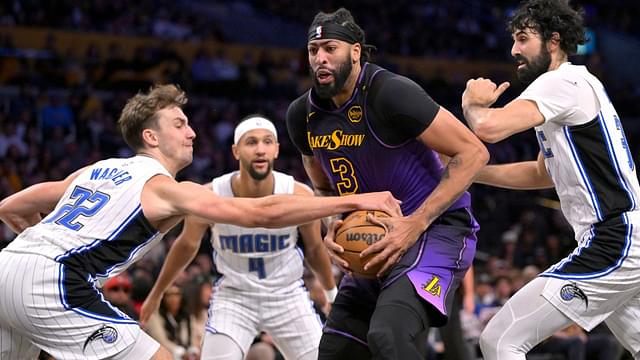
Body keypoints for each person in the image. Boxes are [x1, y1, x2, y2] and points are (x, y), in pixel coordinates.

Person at [0, 84, 401, 360]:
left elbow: (10, 207)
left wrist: (35, 249)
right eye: (179, 124)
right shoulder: (166, 188)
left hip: (8, 265)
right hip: (53, 281)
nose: (192, 132)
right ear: (151, 137)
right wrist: (355, 199)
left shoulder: (94, 170)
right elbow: (260, 213)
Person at [285, 8, 489, 360]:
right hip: (373, 239)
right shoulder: (301, 116)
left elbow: (473, 153)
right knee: (335, 352)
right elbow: (323, 188)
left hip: (435, 230)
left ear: (355, 51)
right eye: (313, 50)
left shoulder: (390, 93)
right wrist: (333, 224)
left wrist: (414, 224)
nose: (320, 58)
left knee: (388, 336)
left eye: (329, 48)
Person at [460, 0, 640, 359]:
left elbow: (489, 128)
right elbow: (542, 172)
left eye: (523, 38)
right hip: (624, 238)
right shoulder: (575, 87)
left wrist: (472, 104)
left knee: (500, 340)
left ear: (553, 41)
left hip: (615, 239)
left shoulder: (561, 82)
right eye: (513, 40)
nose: (514, 49)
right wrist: (472, 173)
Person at [140, 115, 339, 360]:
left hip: (287, 295)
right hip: (235, 297)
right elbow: (186, 246)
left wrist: (331, 295)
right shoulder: (211, 195)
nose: (260, 150)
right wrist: (156, 293)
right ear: (236, 151)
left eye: (267, 142)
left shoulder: (298, 194)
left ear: (276, 150)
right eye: (251, 142)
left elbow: (315, 249)